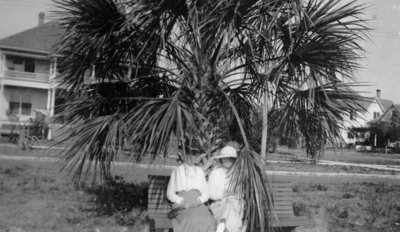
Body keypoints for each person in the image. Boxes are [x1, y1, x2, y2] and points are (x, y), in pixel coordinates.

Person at [166, 150, 216, 232]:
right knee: (192, 220)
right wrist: (181, 201)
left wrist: (199, 201)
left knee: (208, 220)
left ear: (197, 158)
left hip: (197, 203)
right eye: (188, 155)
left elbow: (206, 192)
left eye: (194, 155)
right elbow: (169, 193)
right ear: (184, 156)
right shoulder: (177, 171)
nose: (191, 158)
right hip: (182, 204)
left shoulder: (200, 171)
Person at [208, 145, 246, 232]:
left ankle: (222, 227)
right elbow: (210, 193)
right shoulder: (215, 173)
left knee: (231, 206)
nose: (228, 160)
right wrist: (224, 194)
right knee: (229, 206)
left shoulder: (238, 173)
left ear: (234, 160)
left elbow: (241, 194)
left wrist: (235, 195)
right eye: (226, 158)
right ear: (221, 159)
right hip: (219, 205)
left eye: (231, 158)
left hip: (236, 205)